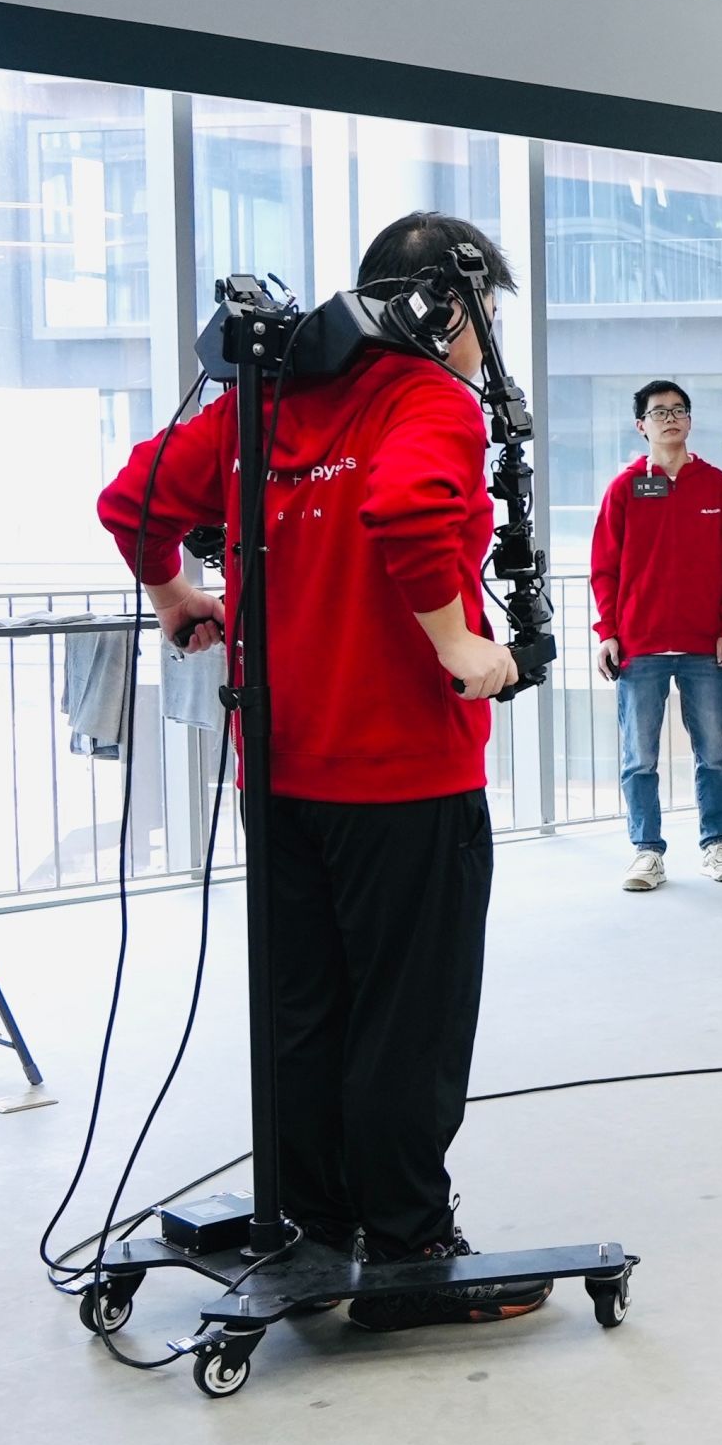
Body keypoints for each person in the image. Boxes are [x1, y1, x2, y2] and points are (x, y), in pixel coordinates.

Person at [96, 212, 548, 1332]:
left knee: (305, 1008)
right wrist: (458, 643)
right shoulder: (427, 400)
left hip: (281, 773)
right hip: (404, 775)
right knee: (408, 1017)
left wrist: (174, 594)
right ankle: (407, 1245)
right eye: (487, 314)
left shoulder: (263, 403)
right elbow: (408, 507)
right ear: (451, 306)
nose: (488, 340)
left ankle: (318, 1222)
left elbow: (132, 499)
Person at [591, 380, 722, 891]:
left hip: (705, 646)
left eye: (678, 410)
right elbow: (604, 568)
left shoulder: (716, 485)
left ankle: (715, 844)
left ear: (690, 420)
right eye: (659, 412)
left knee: (714, 754)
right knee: (639, 758)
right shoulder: (624, 488)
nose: (670, 418)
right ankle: (647, 851)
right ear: (640, 425)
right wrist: (607, 632)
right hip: (639, 646)